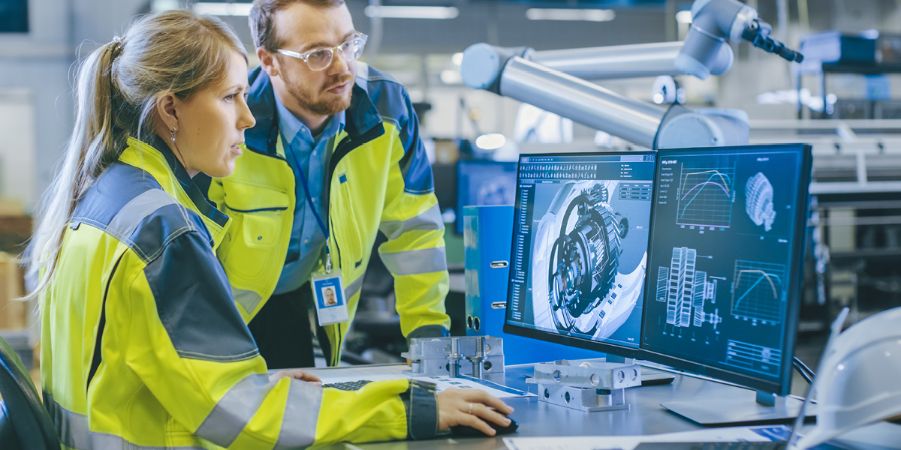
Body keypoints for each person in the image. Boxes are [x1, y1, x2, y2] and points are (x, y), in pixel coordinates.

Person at [26, 10, 511, 448]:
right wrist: (413, 409)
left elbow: (170, 376)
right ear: (170, 109)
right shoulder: (163, 231)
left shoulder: (106, 198)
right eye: (231, 96)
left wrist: (262, 388)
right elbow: (244, 416)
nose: (247, 116)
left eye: (347, 46)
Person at [207, 0, 450, 369]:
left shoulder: (387, 107)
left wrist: (429, 342)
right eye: (317, 54)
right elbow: (191, 245)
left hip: (304, 299)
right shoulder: (230, 122)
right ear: (269, 60)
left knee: (303, 414)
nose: (342, 67)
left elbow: (415, 231)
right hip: (223, 313)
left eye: (348, 44)